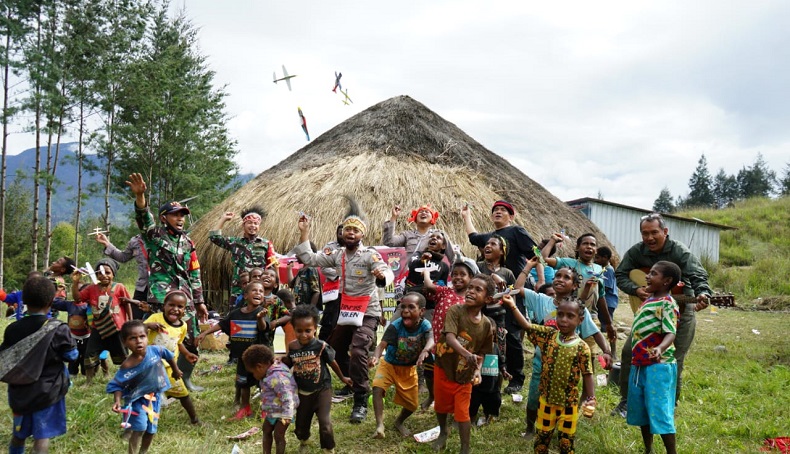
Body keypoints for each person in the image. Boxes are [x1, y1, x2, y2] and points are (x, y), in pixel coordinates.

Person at [294, 200, 394, 423]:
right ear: (342, 232)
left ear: (362, 235)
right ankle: (350, 381)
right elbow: (309, 259)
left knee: (359, 350)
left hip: (367, 311)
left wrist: (382, 275)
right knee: (332, 347)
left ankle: (361, 398)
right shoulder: (337, 254)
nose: (351, 232)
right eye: (348, 229)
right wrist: (305, 232)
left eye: (356, 230)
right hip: (346, 311)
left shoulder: (369, 255)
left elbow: (387, 273)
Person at [612, 213, 711, 418]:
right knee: (630, 353)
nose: (649, 238)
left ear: (665, 232)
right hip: (648, 314)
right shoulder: (636, 252)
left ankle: (667, 406)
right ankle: (627, 402)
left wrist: (703, 292)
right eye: (645, 233)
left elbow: (697, 274)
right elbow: (621, 274)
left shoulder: (679, 251)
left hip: (680, 312)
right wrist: (636, 290)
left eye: (654, 232)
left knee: (673, 360)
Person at [127, 172, 208, 393]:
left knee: (191, 339)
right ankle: (151, 380)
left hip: (186, 297)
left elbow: (194, 272)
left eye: (183, 215)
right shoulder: (154, 235)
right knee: (158, 339)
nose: (180, 218)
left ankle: (183, 379)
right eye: (175, 215)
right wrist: (140, 197)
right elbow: (143, 218)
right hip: (162, 296)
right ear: (164, 217)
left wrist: (200, 301)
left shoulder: (188, 242)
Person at [515, 258, 612, 437]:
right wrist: (528, 266)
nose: (559, 279)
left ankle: (561, 429)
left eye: (566, 277)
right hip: (541, 362)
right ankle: (530, 428)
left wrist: (606, 351)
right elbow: (517, 288)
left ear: (575, 286)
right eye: (558, 275)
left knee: (564, 401)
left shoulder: (577, 309)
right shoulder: (541, 300)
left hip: (568, 367)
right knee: (534, 398)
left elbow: (596, 332)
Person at [501, 293, 597, 454]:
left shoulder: (582, 347)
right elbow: (527, 326)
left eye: (570, 316)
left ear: (580, 321)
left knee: (566, 444)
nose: (564, 320)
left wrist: (591, 399)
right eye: (560, 314)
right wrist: (512, 306)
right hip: (546, 402)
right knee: (541, 441)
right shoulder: (548, 336)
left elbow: (587, 374)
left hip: (569, 404)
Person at [462, 200, 537, 393]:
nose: (498, 212)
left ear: (511, 216)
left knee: (511, 334)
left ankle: (516, 377)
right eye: (495, 210)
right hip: (488, 294)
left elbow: (535, 254)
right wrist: (466, 216)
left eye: (503, 210)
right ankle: (487, 372)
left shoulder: (517, 232)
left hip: (513, 288)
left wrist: (542, 266)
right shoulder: (490, 238)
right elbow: (473, 237)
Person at [0, 275, 78, 454]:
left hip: (19, 393)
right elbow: (71, 355)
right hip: (47, 392)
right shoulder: (58, 328)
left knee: (19, 434)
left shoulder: (13, 328)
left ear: (24, 300)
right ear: (52, 301)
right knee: (42, 436)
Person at [432, 274, 495, 454]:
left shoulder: (486, 326)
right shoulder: (455, 311)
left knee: (462, 413)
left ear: (488, 299)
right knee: (441, 405)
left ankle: (465, 449)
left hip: (464, 374)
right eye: (470, 288)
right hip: (444, 366)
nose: (471, 291)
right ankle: (443, 431)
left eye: (478, 289)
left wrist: (478, 371)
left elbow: (482, 352)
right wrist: (467, 354)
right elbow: (450, 338)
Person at [281, 305, 352, 454]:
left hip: (322, 390)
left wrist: (343, 378)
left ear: (315, 329)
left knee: (325, 423)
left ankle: (329, 448)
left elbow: (333, 362)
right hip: (302, 392)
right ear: (294, 329)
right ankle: (304, 440)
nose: (303, 334)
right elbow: (288, 362)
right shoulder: (292, 347)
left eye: (308, 331)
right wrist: (278, 367)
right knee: (301, 425)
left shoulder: (321, 346)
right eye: (299, 331)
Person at [627, 261, 681, 454]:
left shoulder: (667, 303)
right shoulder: (648, 300)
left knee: (660, 411)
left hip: (659, 366)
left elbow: (671, 332)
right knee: (643, 411)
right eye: (649, 273)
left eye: (653, 274)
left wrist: (660, 347)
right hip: (640, 364)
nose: (648, 276)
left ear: (666, 281)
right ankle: (648, 450)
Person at [196, 281, 268, 419]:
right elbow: (222, 325)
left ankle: (266, 408)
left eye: (261, 291)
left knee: (264, 383)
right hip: (242, 357)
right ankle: (245, 407)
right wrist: (205, 333)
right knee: (243, 383)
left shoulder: (261, 312)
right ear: (245, 296)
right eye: (255, 290)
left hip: (260, 358)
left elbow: (263, 328)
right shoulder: (235, 314)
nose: (258, 293)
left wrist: (260, 319)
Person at [107, 320, 182, 454]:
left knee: (151, 430)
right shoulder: (127, 365)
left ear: (147, 337)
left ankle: (143, 451)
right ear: (125, 342)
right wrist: (117, 401)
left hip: (154, 398)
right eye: (132, 338)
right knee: (139, 428)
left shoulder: (156, 350)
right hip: (137, 400)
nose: (138, 341)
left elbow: (168, 355)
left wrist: (176, 370)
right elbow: (117, 384)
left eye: (142, 337)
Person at [368, 292, 433, 439]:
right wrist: (375, 357)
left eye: (411, 307)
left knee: (412, 405)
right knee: (377, 387)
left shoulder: (425, 325)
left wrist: (425, 351)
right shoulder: (395, 327)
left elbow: (431, 339)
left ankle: (398, 422)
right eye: (403, 307)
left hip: (408, 369)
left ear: (422, 311)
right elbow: (381, 345)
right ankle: (379, 426)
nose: (405, 311)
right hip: (389, 365)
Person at [420, 257, 480, 410]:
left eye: (462, 274)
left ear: (471, 278)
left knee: (457, 376)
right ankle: (432, 396)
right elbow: (428, 285)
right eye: (454, 274)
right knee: (431, 372)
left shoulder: (473, 298)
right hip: (439, 343)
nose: (457, 277)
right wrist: (426, 273)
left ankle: (457, 406)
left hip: (460, 345)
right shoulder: (445, 291)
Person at [541, 232, 615, 343]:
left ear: (596, 250)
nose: (589, 246)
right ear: (577, 248)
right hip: (568, 316)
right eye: (585, 243)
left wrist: (609, 323)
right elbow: (543, 259)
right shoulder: (568, 263)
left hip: (590, 317)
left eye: (592, 244)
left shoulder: (599, 269)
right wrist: (552, 240)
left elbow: (601, 297)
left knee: (589, 353)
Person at [71, 258, 132, 384]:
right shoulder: (91, 289)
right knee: (89, 354)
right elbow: (77, 299)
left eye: (107, 272)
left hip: (117, 329)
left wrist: (130, 322)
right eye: (99, 272)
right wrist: (75, 283)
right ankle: (89, 381)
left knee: (123, 355)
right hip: (98, 328)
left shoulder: (119, 287)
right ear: (96, 275)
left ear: (113, 274)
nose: (103, 275)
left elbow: (127, 304)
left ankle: (126, 380)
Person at [144, 290, 201, 425]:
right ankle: (147, 423)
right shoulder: (155, 318)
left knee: (183, 394)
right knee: (149, 397)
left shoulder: (183, 326)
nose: (175, 309)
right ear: (164, 305)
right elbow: (137, 328)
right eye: (171, 305)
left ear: (184, 310)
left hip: (170, 368)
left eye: (180, 306)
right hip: (151, 366)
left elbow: (178, 343)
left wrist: (187, 354)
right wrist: (147, 325)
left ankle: (195, 420)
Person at [209, 207, 277, 306]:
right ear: (243, 225)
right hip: (239, 287)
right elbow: (214, 237)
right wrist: (223, 219)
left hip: (258, 289)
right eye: (250, 223)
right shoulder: (235, 242)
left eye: (256, 223)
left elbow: (273, 265)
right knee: (236, 313)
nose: (253, 225)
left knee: (258, 314)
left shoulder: (266, 244)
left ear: (259, 226)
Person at [242, 345, 299, 454]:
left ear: (259, 367)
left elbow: (288, 397)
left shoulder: (277, 377)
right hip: (273, 410)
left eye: (253, 373)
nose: (254, 376)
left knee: (278, 435)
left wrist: (287, 415)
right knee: (266, 430)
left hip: (284, 411)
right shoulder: (268, 372)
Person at [95, 233, 150, 319]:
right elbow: (123, 257)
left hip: (161, 287)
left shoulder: (163, 237)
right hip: (142, 286)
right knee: (137, 318)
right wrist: (107, 244)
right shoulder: (135, 241)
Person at [317, 225, 344, 342]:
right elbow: (324, 268)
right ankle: (324, 344)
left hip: (350, 290)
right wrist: (340, 274)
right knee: (330, 319)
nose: (343, 235)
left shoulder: (357, 248)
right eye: (340, 233)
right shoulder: (330, 247)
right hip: (334, 289)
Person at [595, 246, 619, 359]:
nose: (595, 260)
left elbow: (607, 287)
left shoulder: (608, 270)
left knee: (608, 326)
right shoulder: (604, 268)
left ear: (605, 258)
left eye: (597, 257)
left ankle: (613, 352)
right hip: (607, 301)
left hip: (607, 302)